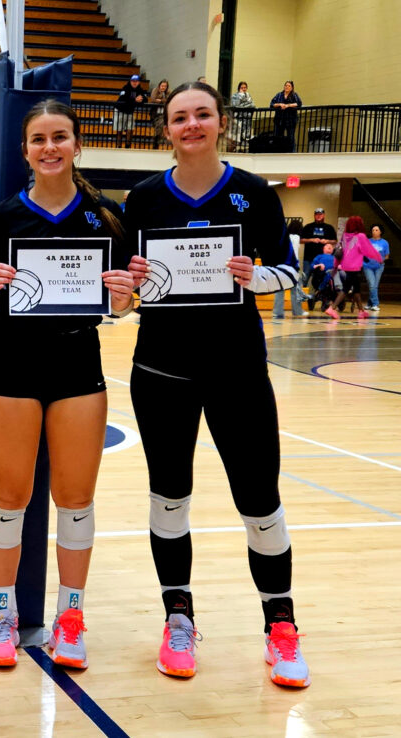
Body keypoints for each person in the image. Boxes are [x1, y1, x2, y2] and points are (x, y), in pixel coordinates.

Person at [124, 81, 310, 689]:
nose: (192, 125)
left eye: (203, 114)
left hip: (237, 372)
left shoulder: (253, 192)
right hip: (161, 372)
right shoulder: (145, 198)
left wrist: (257, 276)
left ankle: (279, 625)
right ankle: (179, 617)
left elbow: (288, 270)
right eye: (181, 117)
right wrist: (130, 282)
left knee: (261, 502)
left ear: (221, 122)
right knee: (169, 498)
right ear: (167, 129)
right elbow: (124, 289)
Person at [0, 99, 135, 669]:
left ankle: (70, 617)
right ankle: (2, 614)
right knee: (8, 499)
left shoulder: (107, 216)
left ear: (76, 144)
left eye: (59, 137)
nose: (49, 147)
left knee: (76, 500)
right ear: (25, 150)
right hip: (12, 374)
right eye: (38, 139)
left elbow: (120, 303)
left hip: (77, 374)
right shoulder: (0, 217)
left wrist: (122, 298)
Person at [324, 216, 383, 320]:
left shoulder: (344, 236)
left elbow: (339, 251)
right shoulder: (360, 236)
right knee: (346, 288)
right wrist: (378, 258)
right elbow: (368, 249)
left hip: (345, 265)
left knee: (356, 288)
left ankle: (361, 311)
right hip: (354, 266)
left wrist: (335, 264)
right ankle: (332, 308)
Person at [272, 221, 307, 318]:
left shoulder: (283, 237)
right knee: (296, 290)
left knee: (280, 290)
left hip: (281, 266)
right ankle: (298, 311)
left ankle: (277, 312)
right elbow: (294, 253)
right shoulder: (296, 238)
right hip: (292, 266)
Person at [299, 208, 337, 293]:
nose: (319, 216)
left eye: (320, 214)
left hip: (323, 260)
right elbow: (300, 240)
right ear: (314, 216)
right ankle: (301, 297)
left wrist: (327, 241)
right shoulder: (308, 227)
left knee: (324, 279)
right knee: (305, 278)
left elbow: (335, 241)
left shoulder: (329, 227)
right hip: (309, 258)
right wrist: (311, 240)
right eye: (317, 214)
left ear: (324, 215)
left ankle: (320, 296)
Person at [114, 74, 145, 148]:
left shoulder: (140, 90)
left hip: (130, 112)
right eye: (133, 81)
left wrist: (141, 99)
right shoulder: (125, 88)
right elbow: (122, 98)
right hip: (120, 111)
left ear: (139, 82)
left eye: (136, 81)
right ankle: (118, 146)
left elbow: (145, 98)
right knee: (119, 130)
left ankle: (128, 146)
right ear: (130, 81)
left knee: (130, 129)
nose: (134, 83)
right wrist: (134, 100)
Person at [270, 81, 302, 152]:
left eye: (289, 86)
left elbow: (299, 103)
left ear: (292, 88)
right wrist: (280, 104)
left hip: (290, 120)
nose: (287, 87)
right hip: (279, 119)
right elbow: (272, 104)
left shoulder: (294, 95)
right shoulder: (279, 95)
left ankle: (292, 152)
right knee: (278, 136)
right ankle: (278, 151)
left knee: (291, 137)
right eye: (286, 85)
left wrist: (288, 105)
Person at [364, 224, 389, 311]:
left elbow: (387, 256)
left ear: (380, 232)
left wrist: (382, 260)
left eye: (376, 230)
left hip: (379, 266)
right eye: (373, 230)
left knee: (374, 285)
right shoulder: (367, 241)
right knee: (372, 284)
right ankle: (375, 304)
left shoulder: (385, 242)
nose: (374, 232)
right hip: (368, 266)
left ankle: (369, 303)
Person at [229, 81, 255, 152]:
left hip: (247, 118)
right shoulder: (235, 96)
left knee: (246, 135)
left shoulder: (248, 95)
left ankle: (245, 148)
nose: (243, 89)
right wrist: (241, 96)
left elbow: (252, 105)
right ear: (239, 88)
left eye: (245, 87)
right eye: (242, 87)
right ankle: (235, 148)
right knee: (237, 135)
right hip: (238, 118)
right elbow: (236, 105)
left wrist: (242, 105)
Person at [149, 79, 170, 150]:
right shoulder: (155, 90)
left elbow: (169, 100)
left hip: (163, 114)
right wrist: (162, 98)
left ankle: (156, 142)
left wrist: (160, 100)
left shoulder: (168, 92)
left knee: (161, 127)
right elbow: (153, 99)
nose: (163, 87)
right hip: (155, 114)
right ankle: (156, 142)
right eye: (162, 86)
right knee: (159, 127)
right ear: (159, 86)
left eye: (165, 86)